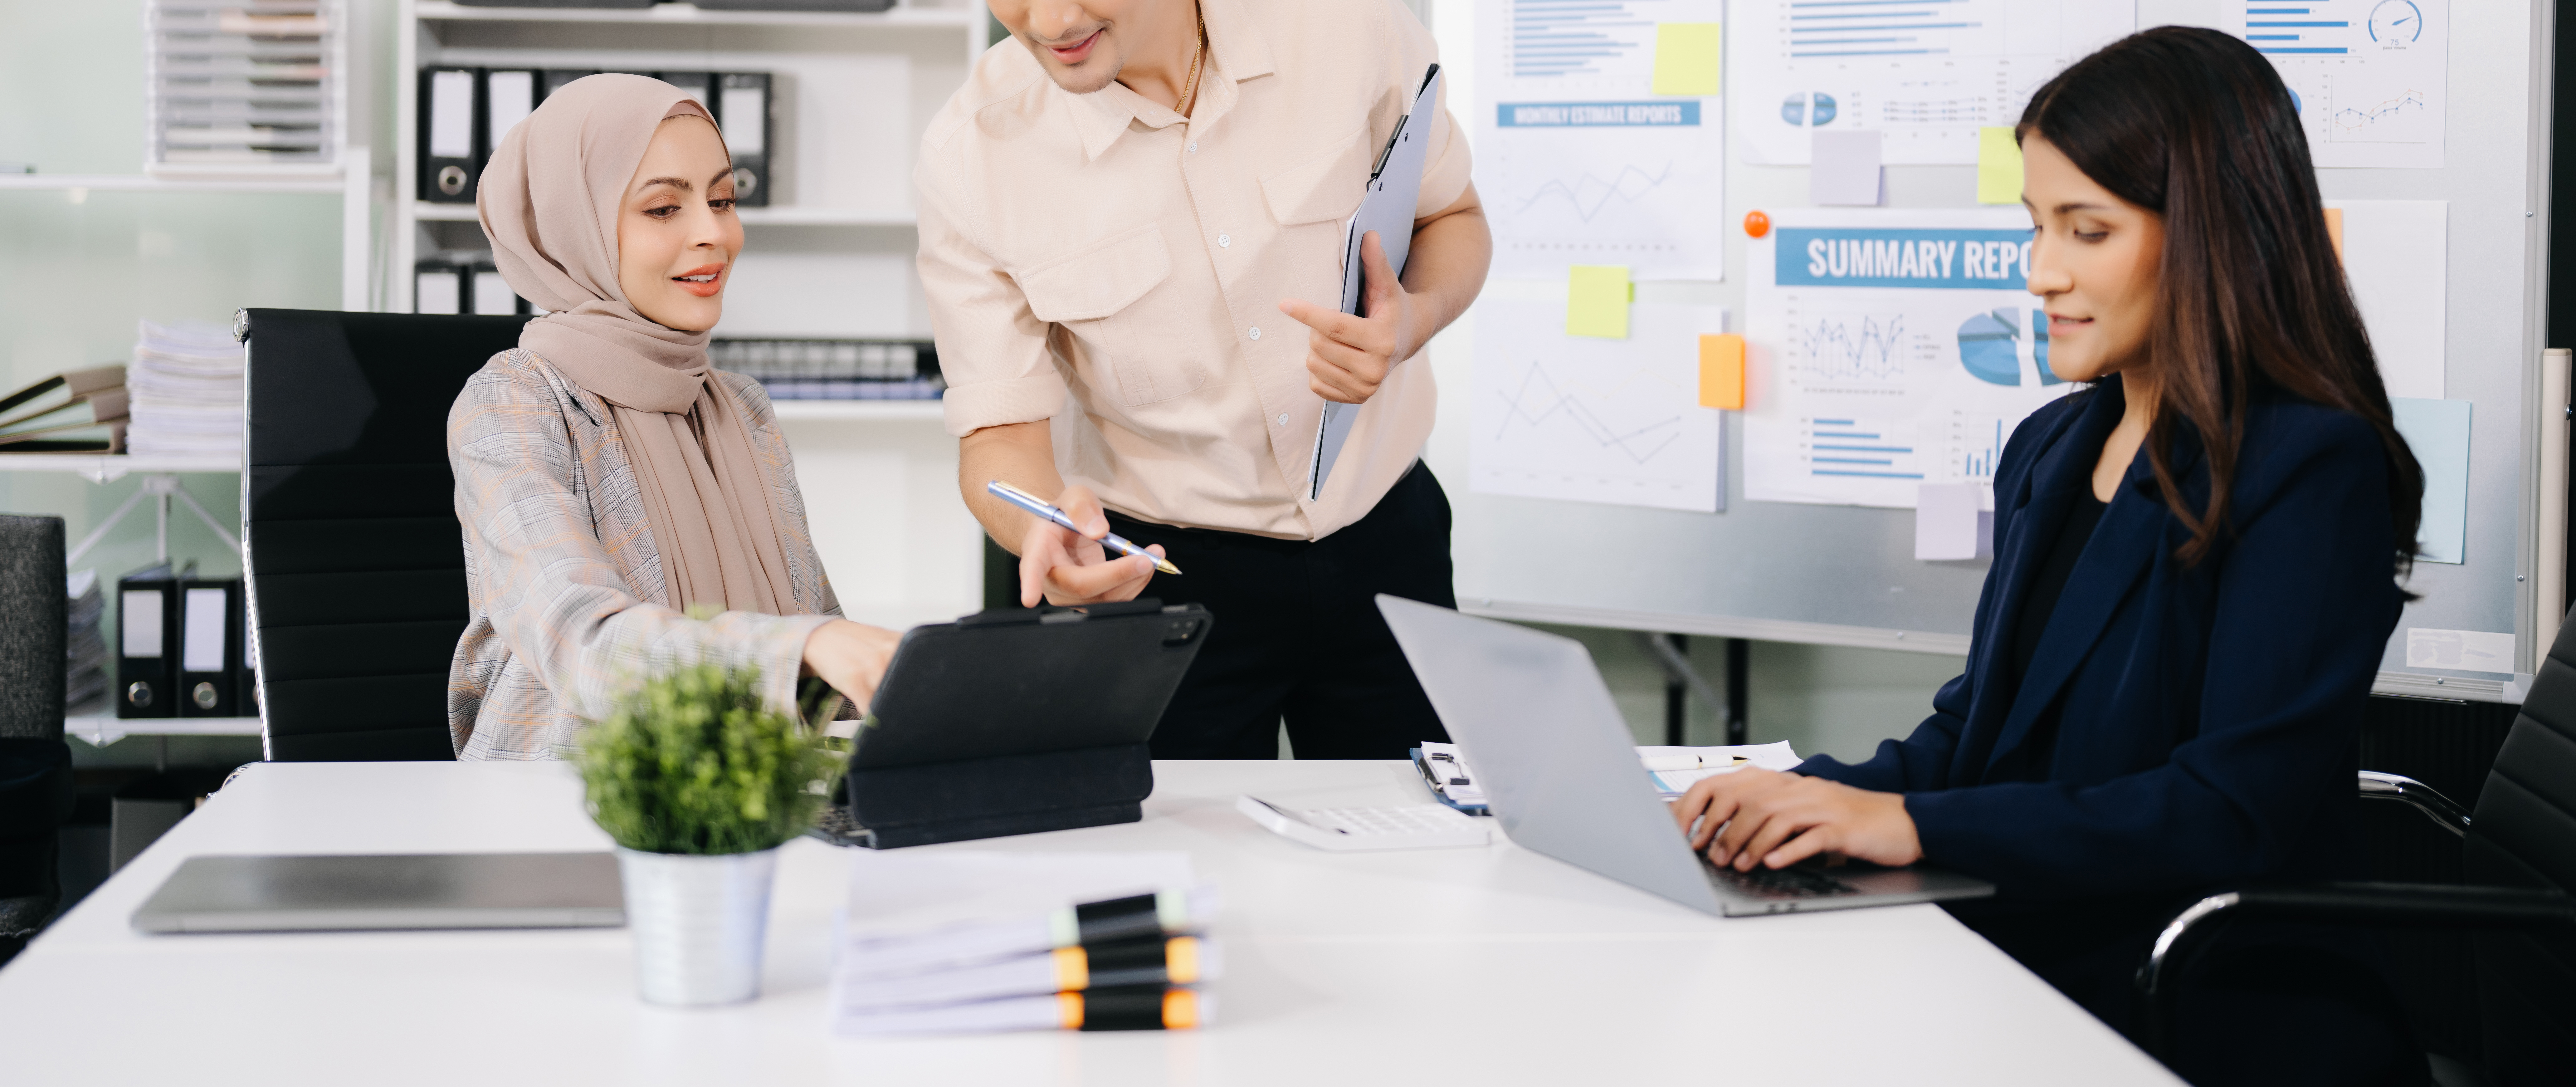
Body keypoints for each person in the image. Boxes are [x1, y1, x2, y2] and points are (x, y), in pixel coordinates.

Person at [1669, 28, 2428, 1083]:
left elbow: (2231, 809)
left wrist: (1903, 822)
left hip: (2202, 993)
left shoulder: (2311, 467)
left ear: (2210, 236)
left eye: (2086, 230)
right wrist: (1799, 796)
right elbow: (1982, 734)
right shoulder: (2053, 444)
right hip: (2032, 943)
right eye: (2034, 226)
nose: (2038, 274)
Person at [915, 0, 1491, 759]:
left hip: (1386, 538)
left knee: (1426, 850)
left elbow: (1452, 214)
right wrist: (1040, 528)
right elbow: (997, 437)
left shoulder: (1347, 28)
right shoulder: (973, 155)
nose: (1050, 20)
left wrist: (1408, 322)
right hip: (1161, 584)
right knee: (1174, 871)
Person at [446, 75, 900, 760]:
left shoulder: (740, 408)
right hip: (561, 811)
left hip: (747, 801)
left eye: (723, 200)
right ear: (576, 226)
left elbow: (809, 639)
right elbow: (585, 644)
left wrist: (947, 672)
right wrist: (807, 648)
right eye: (664, 209)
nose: (714, 234)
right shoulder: (512, 402)